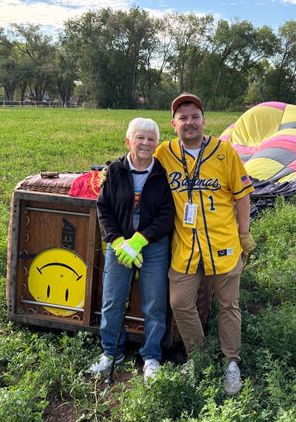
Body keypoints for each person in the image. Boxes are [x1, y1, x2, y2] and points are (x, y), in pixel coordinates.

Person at [154, 92, 257, 395]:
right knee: (180, 303)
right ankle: (198, 358)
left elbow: (242, 194)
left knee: (228, 305)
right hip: (185, 248)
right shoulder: (164, 153)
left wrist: (244, 232)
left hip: (223, 245)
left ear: (204, 120)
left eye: (194, 116)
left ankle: (231, 364)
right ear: (174, 124)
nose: (189, 122)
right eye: (183, 118)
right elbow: (141, 165)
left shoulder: (224, 152)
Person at [88, 117, 175, 382]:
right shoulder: (114, 170)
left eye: (151, 139)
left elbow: (167, 214)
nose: (145, 143)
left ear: (156, 144)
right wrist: (117, 241)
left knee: (154, 303)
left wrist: (141, 240)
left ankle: (151, 357)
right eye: (140, 137)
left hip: (153, 248)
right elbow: (104, 209)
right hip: (119, 247)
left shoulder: (162, 173)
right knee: (112, 300)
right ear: (128, 141)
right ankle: (111, 352)